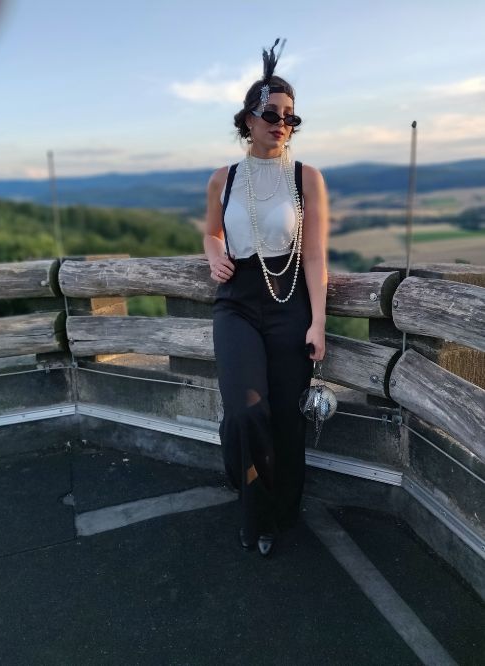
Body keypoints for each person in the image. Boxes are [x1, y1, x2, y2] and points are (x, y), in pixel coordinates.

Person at [203, 38, 329, 557]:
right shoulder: (222, 179)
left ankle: (273, 516)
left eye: (291, 118)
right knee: (244, 411)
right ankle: (248, 495)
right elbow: (213, 232)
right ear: (248, 120)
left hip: (289, 303)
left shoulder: (307, 179)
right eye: (272, 113)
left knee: (283, 418)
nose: (282, 124)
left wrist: (318, 322)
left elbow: (318, 254)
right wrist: (212, 251)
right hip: (237, 301)